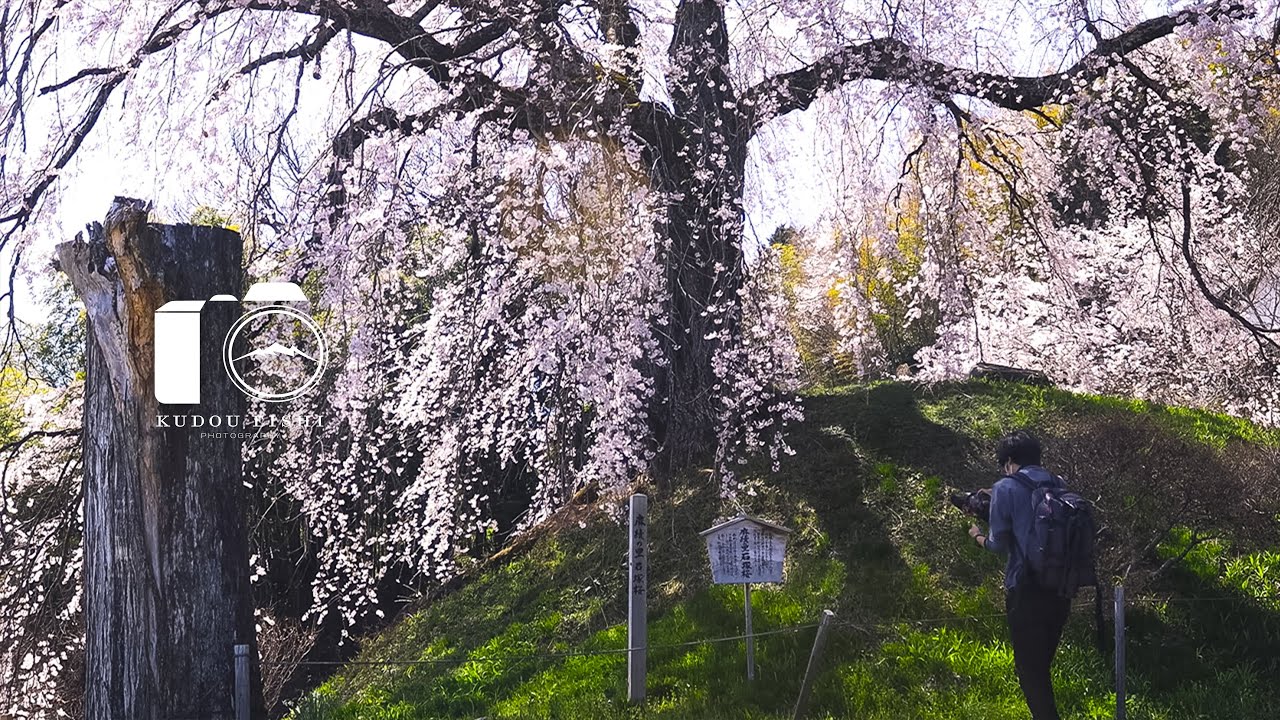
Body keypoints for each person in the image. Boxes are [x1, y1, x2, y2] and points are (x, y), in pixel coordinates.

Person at [968, 430, 1072, 720]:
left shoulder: (1006, 487)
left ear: (1009, 461)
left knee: (1029, 671)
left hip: (1026, 589)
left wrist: (977, 536)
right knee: (1040, 667)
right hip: (1062, 587)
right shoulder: (1058, 483)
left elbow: (998, 543)